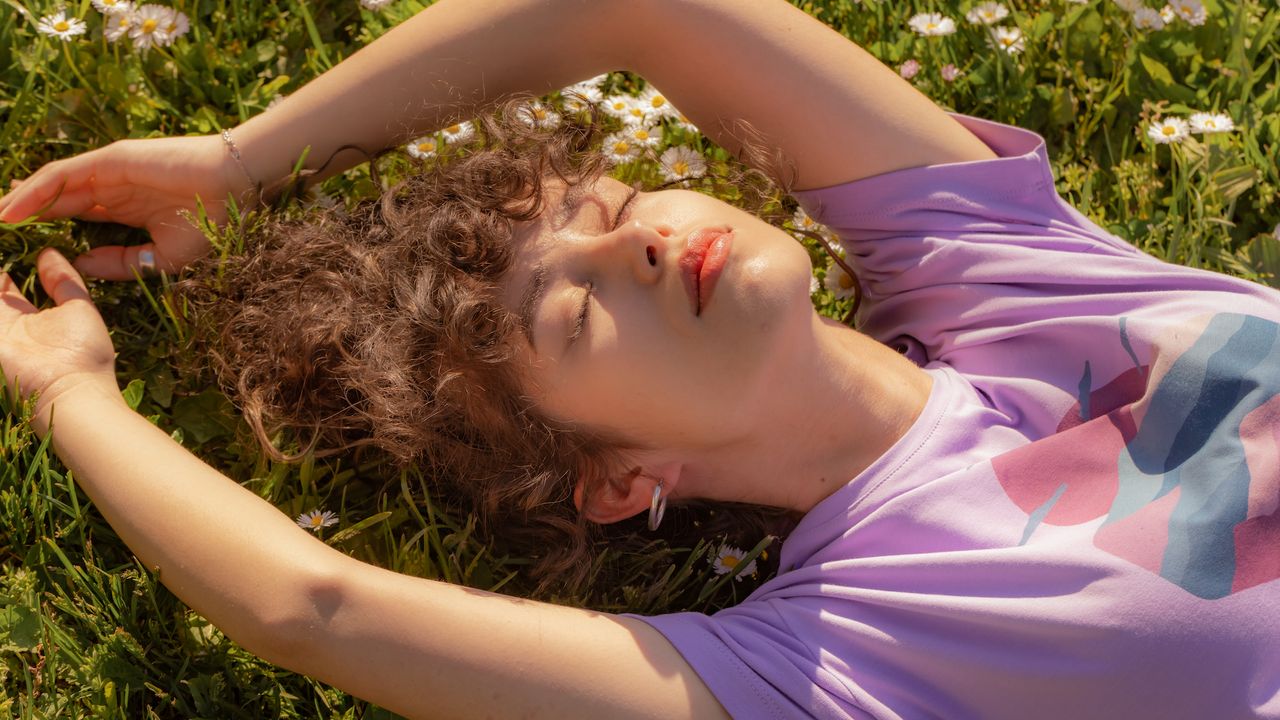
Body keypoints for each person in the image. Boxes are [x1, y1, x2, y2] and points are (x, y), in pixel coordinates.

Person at [0, 0, 1276, 718]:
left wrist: (243, 160)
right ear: (616, 479)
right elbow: (314, 609)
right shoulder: (837, 656)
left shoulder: (995, 272)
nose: (643, 253)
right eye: (572, 318)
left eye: (608, 215)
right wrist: (69, 391)